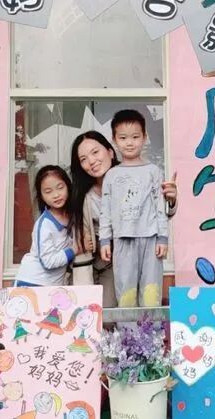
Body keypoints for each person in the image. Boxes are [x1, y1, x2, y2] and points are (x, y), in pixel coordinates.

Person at [70, 130, 178, 307]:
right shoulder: (84, 195)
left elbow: (157, 214)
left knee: (131, 304)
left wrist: (170, 200)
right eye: (83, 159)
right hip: (96, 261)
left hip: (129, 254)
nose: (91, 161)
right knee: (103, 313)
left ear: (110, 152)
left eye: (95, 152)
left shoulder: (138, 177)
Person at [98, 109, 171, 308]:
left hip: (150, 239)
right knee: (126, 293)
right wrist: (104, 240)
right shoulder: (111, 175)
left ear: (144, 137)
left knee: (151, 292)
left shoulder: (154, 171)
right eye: (123, 138)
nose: (129, 143)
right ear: (114, 140)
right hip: (122, 240)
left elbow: (160, 207)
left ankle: (151, 329)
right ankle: (127, 329)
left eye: (135, 137)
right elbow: (105, 210)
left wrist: (163, 238)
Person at [15, 165, 75, 287]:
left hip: (49, 285)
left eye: (60, 187)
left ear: (68, 186)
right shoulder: (44, 225)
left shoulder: (72, 216)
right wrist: (74, 250)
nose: (56, 195)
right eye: (48, 191)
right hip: (32, 282)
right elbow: (48, 261)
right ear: (41, 196)